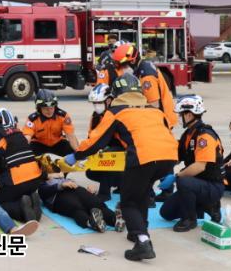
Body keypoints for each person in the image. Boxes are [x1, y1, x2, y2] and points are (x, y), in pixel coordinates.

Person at [70, 73, 178, 261]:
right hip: (168, 158)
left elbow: (95, 141)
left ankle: (143, 242)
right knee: (142, 194)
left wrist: (75, 155)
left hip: (143, 158)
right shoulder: (155, 110)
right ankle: (138, 231)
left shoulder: (117, 111)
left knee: (128, 202)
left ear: (116, 94)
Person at [158, 95, 224, 232]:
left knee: (183, 180)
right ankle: (206, 206)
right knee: (166, 212)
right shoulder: (188, 134)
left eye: (181, 114)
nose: (179, 118)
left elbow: (200, 166)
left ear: (189, 115)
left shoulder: (204, 136)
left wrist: (176, 176)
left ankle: (190, 219)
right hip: (196, 184)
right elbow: (176, 157)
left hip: (212, 185)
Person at [112, 43, 177, 129]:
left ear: (132, 61)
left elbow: (153, 105)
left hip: (162, 121)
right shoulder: (140, 68)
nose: (121, 70)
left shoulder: (146, 76)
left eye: (123, 66)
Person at [37, 170, 124, 233]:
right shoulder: (42, 185)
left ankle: (115, 220)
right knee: (76, 208)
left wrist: (89, 190)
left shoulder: (65, 178)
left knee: (95, 202)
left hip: (77, 190)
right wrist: (61, 185)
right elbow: (44, 192)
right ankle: (91, 222)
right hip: (58, 196)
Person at [85, 83, 124, 201]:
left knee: (106, 158)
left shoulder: (118, 114)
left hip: (125, 149)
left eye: (99, 103)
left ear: (109, 100)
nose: (96, 106)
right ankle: (120, 183)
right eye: (94, 103)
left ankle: (104, 194)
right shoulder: (95, 116)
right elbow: (91, 138)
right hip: (107, 149)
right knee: (90, 171)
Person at [22, 89, 78, 157]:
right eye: (46, 108)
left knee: (74, 153)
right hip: (38, 144)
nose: (49, 111)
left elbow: (71, 136)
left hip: (58, 143)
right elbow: (26, 139)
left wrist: (78, 152)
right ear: (39, 108)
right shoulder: (32, 119)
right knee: (26, 155)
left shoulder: (63, 116)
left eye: (52, 107)